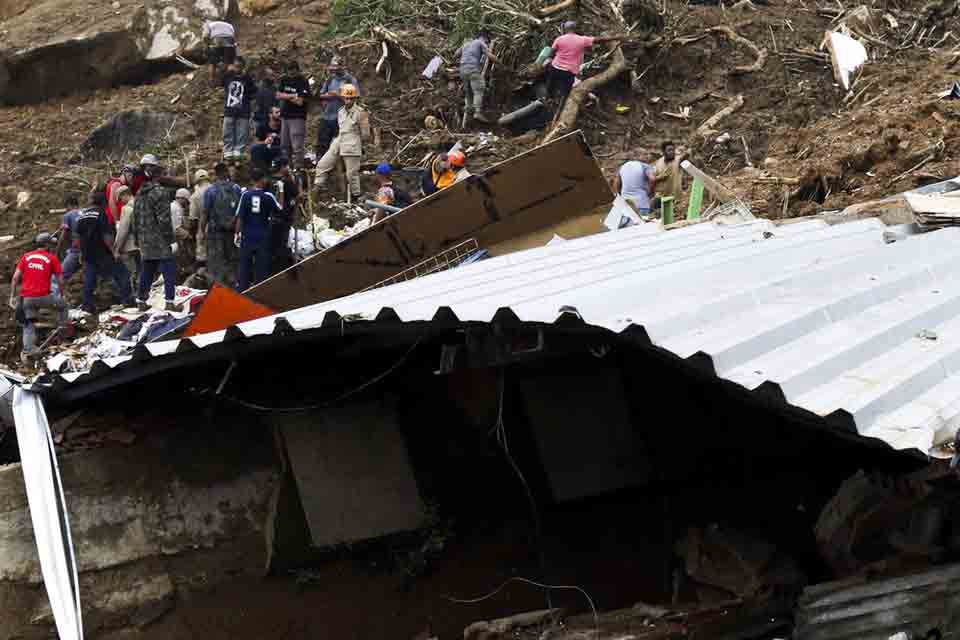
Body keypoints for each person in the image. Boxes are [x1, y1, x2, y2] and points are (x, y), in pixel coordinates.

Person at [10, 233, 70, 361]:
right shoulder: (52, 258)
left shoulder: (26, 257)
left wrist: (12, 296)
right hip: (45, 298)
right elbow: (60, 280)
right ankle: (62, 334)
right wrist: (63, 295)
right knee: (63, 306)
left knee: (28, 324)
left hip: (27, 299)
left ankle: (29, 349)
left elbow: (15, 278)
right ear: (47, 245)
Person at [76, 190, 133, 313]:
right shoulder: (101, 214)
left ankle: (87, 305)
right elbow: (106, 235)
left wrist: (81, 252)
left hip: (88, 254)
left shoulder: (82, 215)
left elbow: (78, 236)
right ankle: (128, 300)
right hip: (102, 253)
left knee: (90, 279)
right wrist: (114, 251)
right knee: (122, 273)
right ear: (103, 202)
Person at [133, 158, 178, 311]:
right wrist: (171, 239)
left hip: (144, 239)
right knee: (168, 270)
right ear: (159, 176)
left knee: (147, 270)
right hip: (159, 240)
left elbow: (135, 217)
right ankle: (170, 302)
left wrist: (138, 238)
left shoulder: (139, 193)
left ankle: (141, 300)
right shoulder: (160, 192)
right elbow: (164, 220)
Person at [546, 21, 627, 102]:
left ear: (565, 29)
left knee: (551, 84)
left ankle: (548, 98)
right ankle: (562, 102)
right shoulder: (582, 39)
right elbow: (599, 40)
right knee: (566, 91)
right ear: (575, 29)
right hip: (568, 71)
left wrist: (549, 60)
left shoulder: (559, 39)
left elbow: (552, 51)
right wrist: (615, 37)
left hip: (555, 67)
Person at [315, 83, 369, 201]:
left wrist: (359, 144)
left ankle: (356, 196)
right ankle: (318, 187)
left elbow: (365, 134)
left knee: (351, 174)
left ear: (355, 98)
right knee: (322, 164)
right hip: (340, 139)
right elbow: (341, 128)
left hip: (352, 141)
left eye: (351, 98)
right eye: (346, 98)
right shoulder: (341, 111)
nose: (348, 100)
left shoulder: (361, 113)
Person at [235, 168, 281, 291]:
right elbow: (279, 210)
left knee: (244, 267)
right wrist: (281, 192)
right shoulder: (268, 196)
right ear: (263, 180)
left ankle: (242, 292)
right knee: (261, 269)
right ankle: (260, 293)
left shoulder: (245, 195)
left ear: (251, 180)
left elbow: (240, 217)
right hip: (263, 237)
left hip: (247, 236)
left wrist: (236, 233)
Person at [203, 162, 242, 287]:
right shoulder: (236, 188)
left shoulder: (210, 191)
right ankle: (235, 287)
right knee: (233, 261)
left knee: (216, 263)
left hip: (215, 234)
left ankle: (218, 289)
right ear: (226, 172)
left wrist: (201, 231)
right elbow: (241, 211)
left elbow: (205, 213)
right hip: (233, 232)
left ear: (216, 174)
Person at [315, 56, 360, 159]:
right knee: (322, 143)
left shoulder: (350, 80)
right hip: (326, 116)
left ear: (342, 66)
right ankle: (321, 164)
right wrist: (328, 96)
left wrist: (338, 95)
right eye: (332, 66)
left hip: (342, 118)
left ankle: (340, 167)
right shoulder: (330, 79)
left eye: (336, 66)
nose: (333, 69)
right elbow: (321, 95)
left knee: (340, 144)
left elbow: (355, 99)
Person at [455, 30, 499, 123]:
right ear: (483, 38)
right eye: (487, 40)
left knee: (468, 91)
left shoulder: (466, 43)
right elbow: (489, 55)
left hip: (462, 70)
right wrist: (498, 61)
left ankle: (469, 109)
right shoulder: (480, 42)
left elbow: (456, 54)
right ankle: (477, 112)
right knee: (479, 89)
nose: (487, 42)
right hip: (473, 68)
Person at [219, 57, 257, 160]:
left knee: (242, 132)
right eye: (236, 66)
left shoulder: (247, 78)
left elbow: (253, 92)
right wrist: (226, 70)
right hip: (229, 109)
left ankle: (238, 152)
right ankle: (228, 151)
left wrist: (248, 100)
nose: (237, 69)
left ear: (243, 67)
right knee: (227, 131)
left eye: (240, 67)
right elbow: (219, 82)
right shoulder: (228, 76)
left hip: (243, 110)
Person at [268, 156, 299, 275]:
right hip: (283, 219)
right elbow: (297, 196)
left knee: (273, 247)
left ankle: (273, 271)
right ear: (283, 167)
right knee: (282, 246)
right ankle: (282, 272)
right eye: (287, 166)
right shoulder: (287, 182)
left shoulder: (270, 181)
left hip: (272, 219)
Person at [276, 61, 311, 166]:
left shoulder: (303, 81)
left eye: (293, 72)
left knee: (297, 146)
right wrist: (292, 96)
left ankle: (298, 168)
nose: (291, 74)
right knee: (284, 145)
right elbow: (278, 95)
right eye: (289, 72)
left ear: (297, 70)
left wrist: (285, 96)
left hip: (297, 117)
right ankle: (287, 167)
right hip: (285, 116)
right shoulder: (284, 79)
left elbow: (300, 101)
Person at [113, 186, 139, 294]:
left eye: (120, 199)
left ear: (124, 195)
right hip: (143, 244)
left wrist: (116, 248)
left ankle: (133, 296)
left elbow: (123, 230)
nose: (120, 202)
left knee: (130, 273)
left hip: (130, 246)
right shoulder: (140, 203)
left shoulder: (127, 208)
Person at [55, 195, 83, 281]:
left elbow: (64, 236)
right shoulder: (87, 211)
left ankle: (59, 294)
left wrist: (57, 252)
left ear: (69, 205)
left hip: (77, 250)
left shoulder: (68, 215)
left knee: (59, 277)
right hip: (92, 249)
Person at [189, 169, 213, 271]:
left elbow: (193, 219)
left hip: (203, 228)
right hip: (220, 229)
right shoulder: (216, 189)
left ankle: (203, 281)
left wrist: (193, 233)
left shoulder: (195, 196)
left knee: (202, 258)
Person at [251, 105, 283, 169]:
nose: (279, 114)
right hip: (267, 149)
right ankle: (260, 170)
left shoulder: (284, 125)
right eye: (276, 112)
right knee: (255, 148)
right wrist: (265, 142)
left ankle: (275, 169)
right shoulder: (263, 126)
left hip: (280, 149)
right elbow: (255, 142)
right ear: (270, 115)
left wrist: (278, 136)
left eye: (280, 112)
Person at [653, 140, 684, 206]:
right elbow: (653, 179)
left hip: (675, 198)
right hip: (661, 197)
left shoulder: (678, 160)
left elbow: (685, 156)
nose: (672, 152)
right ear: (663, 152)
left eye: (673, 150)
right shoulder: (658, 163)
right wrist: (660, 177)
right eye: (669, 150)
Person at [253, 66, 278, 132]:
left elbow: (276, 104)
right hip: (260, 119)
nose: (273, 77)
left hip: (271, 119)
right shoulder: (259, 88)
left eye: (273, 75)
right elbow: (259, 104)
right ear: (265, 76)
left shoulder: (275, 89)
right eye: (271, 75)